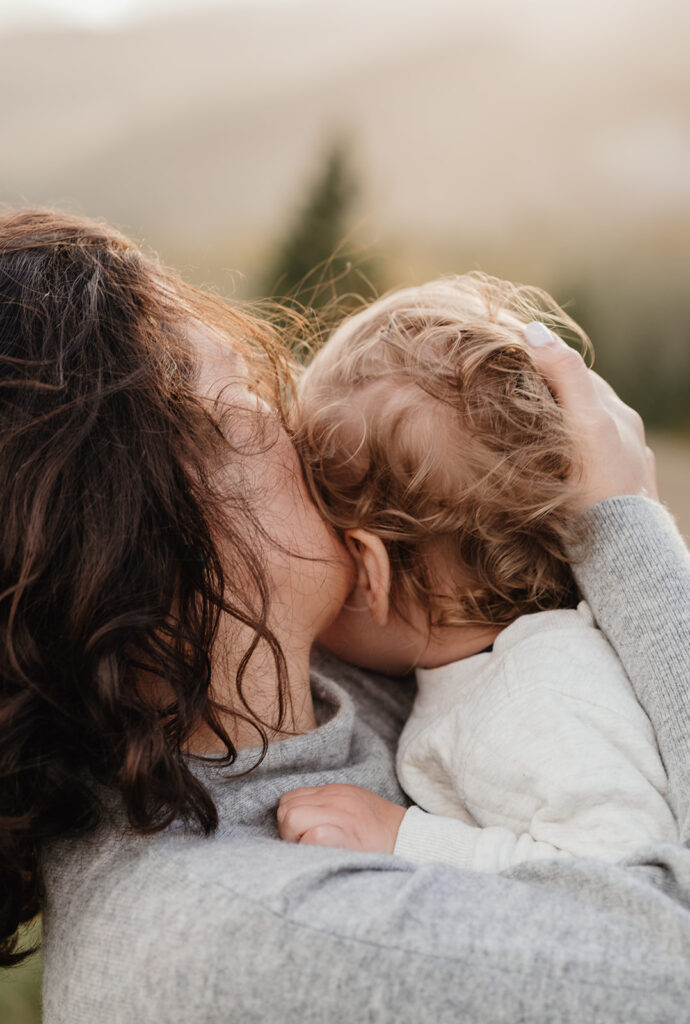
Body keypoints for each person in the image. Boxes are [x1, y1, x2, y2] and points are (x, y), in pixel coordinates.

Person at [0, 211, 688, 1023]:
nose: (300, 428)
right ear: (131, 540)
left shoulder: (342, 685)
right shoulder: (279, 946)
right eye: (242, 403)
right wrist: (625, 534)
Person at [280, 275, 678, 870]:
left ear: (369, 571)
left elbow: (634, 878)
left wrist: (405, 838)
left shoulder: (528, 704)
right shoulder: (506, 678)